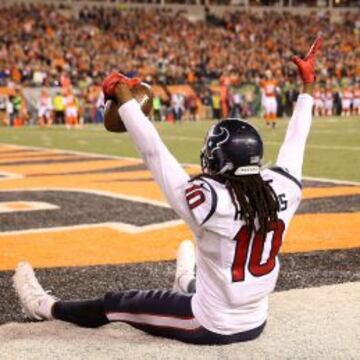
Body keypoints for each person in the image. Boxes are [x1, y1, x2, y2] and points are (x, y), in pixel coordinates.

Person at [13, 38, 322, 345]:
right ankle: (186, 280)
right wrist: (308, 86)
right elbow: (297, 140)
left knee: (120, 303)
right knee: (209, 276)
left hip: (209, 323)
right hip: (256, 320)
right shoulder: (283, 188)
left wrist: (124, 97)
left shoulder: (211, 202)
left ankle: (44, 306)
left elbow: (154, 153)